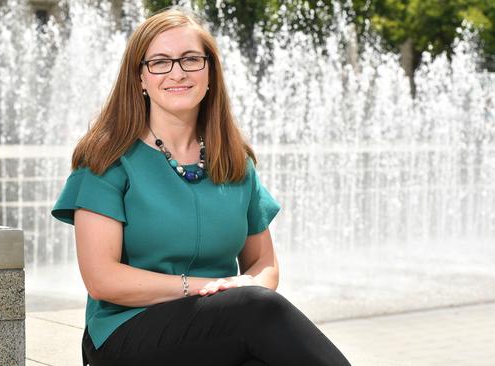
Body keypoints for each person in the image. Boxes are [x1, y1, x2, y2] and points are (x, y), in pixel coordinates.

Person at [51, 8, 350, 366]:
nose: (177, 72)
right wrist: (206, 288)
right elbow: (102, 279)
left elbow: (262, 262)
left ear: (210, 73)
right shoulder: (107, 159)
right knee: (257, 309)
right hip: (126, 333)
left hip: (222, 324)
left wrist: (244, 285)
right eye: (160, 62)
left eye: (191, 59)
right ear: (140, 79)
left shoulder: (235, 160)